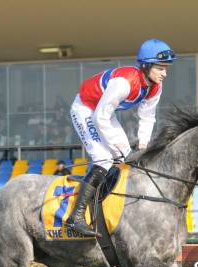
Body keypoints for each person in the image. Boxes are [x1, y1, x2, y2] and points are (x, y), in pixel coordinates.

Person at [66, 39, 175, 236]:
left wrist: (143, 147)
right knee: (103, 159)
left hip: (104, 113)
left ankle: (105, 210)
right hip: (86, 110)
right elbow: (100, 117)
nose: (164, 73)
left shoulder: (155, 87)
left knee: (125, 160)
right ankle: (76, 217)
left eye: (166, 68)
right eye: (160, 68)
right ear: (146, 66)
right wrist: (124, 150)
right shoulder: (124, 83)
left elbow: (147, 117)